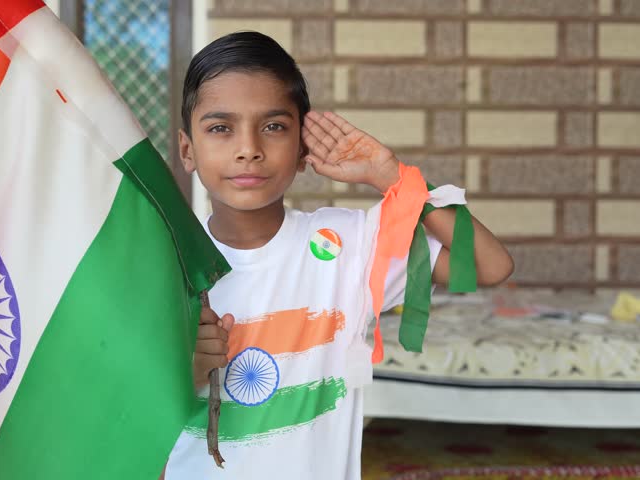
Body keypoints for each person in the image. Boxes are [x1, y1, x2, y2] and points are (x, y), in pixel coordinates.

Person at [164, 31, 514, 479]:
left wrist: (394, 178)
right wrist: (181, 371)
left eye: (273, 126)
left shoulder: (347, 245)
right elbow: (114, 405)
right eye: (220, 128)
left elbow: (489, 264)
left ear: (302, 148)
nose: (248, 148)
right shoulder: (161, 261)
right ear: (187, 149)